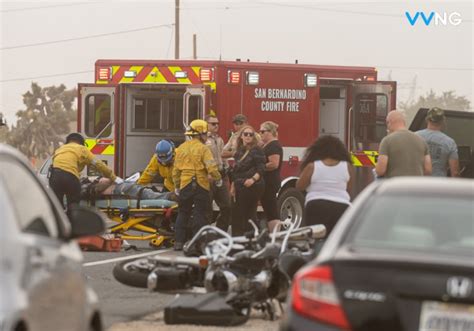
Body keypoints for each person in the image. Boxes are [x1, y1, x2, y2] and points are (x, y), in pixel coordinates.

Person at [172, 119, 222, 250]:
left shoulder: (181, 149)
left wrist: (177, 186)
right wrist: (218, 179)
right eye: (205, 134)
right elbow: (211, 167)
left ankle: (178, 242)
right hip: (201, 185)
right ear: (200, 134)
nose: (206, 137)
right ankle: (196, 243)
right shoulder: (204, 149)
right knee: (199, 213)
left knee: (183, 213)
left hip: (185, 185)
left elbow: (176, 171)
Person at [295, 135, 353, 235]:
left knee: (316, 239)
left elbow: (299, 186)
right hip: (342, 207)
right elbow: (349, 188)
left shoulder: (312, 166)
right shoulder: (347, 166)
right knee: (335, 240)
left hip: (316, 206)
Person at [49, 132, 120, 209]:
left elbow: (57, 164)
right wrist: (113, 177)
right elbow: (99, 164)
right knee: (73, 206)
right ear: (81, 143)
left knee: (57, 207)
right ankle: (73, 218)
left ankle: (59, 219)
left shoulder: (60, 149)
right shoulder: (82, 149)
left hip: (54, 177)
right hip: (69, 177)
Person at [230, 125, 266, 236]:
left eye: (251, 134)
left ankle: (253, 236)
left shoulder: (257, 150)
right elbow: (235, 171)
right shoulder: (240, 151)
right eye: (246, 134)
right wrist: (233, 186)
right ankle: (241, 238)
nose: (248, 136)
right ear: (241, 136)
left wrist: (252, 180)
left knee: (248, 213)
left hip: (252, 186)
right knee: (240, 213)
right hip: (240, 185)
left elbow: (261, 168)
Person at [375, 110, 432, 178]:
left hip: (396, 186)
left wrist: (376, 169)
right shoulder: (422, 141)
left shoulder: (387, 141)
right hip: (416, 186)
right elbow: (428, 170)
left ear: (389, 122)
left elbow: (381, 170)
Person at [205, 114, 232, 231]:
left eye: (218, 124)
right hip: (208, 176)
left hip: (221, 175)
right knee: (206, 208)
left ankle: (221, 232)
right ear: (206, 124)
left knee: (227, 206)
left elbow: (223, 156)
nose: (216, 126)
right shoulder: (203, 139)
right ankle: (204, 235)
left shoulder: (219, 139)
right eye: (213, 124)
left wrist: (226, 168)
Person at [416, 107, 459, 177]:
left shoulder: (414, 137)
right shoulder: (449, 142)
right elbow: (455, 172)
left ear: (427, 120)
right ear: (443, 121)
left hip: (417, 183)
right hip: (439, 185)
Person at [259, 121, 283, 232]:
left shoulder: (274, 145)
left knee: (271, 209)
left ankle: (275, 235)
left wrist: (258, 167)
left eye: (263, 131)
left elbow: (274, 164)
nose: (260, 133)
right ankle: (272, 234)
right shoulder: (267, 145)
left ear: (270, 132)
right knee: (269, 209)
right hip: (266, 182)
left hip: (270, 182)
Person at [88, 177, 175, 200]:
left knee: (147, 193)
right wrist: (111, 179)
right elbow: (104, 183)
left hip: (120, 189)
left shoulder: (85, 186)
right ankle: (170, 196)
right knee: (148, 194)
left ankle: (170, 196)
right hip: (119, 190)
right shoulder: (89, 187)